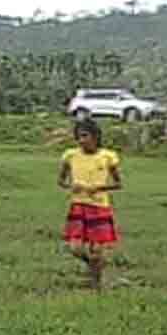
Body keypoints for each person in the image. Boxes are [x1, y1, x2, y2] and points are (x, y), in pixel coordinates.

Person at [58, 118, 122, 290]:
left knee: (96, 250)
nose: (81, 140)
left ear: (95, 137)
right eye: (78, 137)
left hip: (99, 207)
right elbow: (61, 181)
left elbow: (118, 184)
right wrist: (72, 186)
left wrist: (99, 187)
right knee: (75, 248)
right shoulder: (70, 156)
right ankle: (93, 267)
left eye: (85, 136)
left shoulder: (108, 157)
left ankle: (96, 283)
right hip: (78, 205)